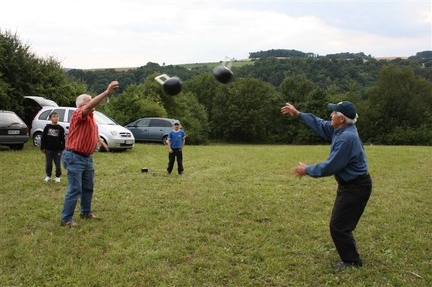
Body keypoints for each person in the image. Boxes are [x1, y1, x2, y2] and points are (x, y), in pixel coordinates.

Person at [281, 101, 372, 270]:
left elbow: (330, 166)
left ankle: (352, 261)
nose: (331, 115)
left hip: (356, 187)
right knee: (341, 224)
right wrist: (298, 114)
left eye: (334, 113)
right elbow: (319, 123)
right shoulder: (340, 129)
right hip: (350, 185)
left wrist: (306, 170)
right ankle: (347, 250)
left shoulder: (346, 138)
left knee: (338, 226)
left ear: (341, 119)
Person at [60, 81, 119, 227]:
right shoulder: (78, 113)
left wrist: (99, 140)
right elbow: (89, 106)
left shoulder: (91, 118)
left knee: (88, 187)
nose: (92, 103)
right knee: (75, 188)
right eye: (89, 100)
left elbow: (91, 131)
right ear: (82, 104)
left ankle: (85, 212)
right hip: (74, 156)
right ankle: (66, 219)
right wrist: (106, 92)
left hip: (87, 158)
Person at [41, 111, 65, 183]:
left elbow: (62, 139)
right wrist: (42, 147)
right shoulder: (47, 127)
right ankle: (48, 176)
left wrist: (62, 148)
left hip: (57, 150)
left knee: (57, 164)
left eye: (57, 116)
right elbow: (43, 138)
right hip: (48, 149)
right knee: (48, 163)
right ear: (50, 118)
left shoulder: (60, 128)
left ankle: (58, 177)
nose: (56, 118)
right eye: (54, 116)